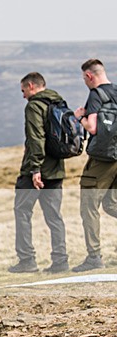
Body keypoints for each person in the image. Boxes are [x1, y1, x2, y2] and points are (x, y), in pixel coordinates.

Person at [8, 72, 68, 273]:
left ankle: (27, 261)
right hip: (57, 169)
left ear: (31, 86)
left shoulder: (34, 106)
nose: (23, 95)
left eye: (23, 90)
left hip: (36, 171)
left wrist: (35, 169)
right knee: (54, 217)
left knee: (22, 211)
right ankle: (60, 262)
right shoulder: (58, 103)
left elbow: (36, 138)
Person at [72, 59, 117, 272]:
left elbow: (92, 127)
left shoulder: (96, 95)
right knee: (111, 204)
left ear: (89, 76)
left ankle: (94, 257)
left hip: (102, 159)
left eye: (84, 78)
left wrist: (79, 117)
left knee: (89, 206)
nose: (85, 82)